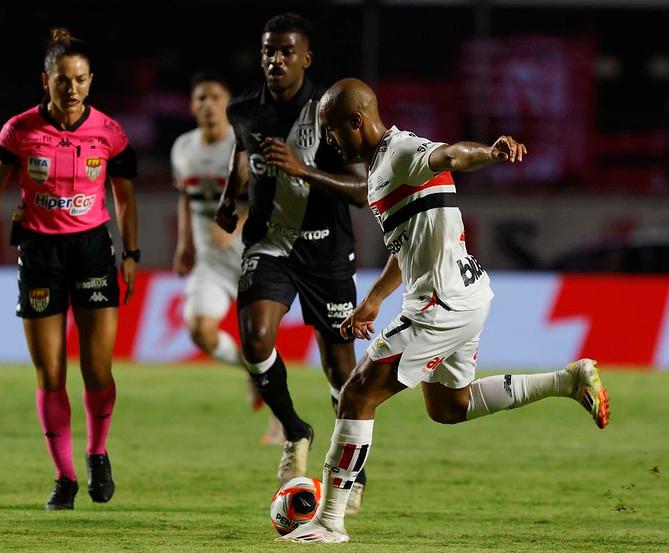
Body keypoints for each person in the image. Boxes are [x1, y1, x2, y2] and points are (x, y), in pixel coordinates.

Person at [279, 78, 611, 543]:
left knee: (356, 394)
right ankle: (567, 380)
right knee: (449, 407)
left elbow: (452, 155)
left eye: (333, 130)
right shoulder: (381, 169)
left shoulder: (401, 151)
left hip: (442, 303)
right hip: (466, 296)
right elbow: (408, 241)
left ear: (356, 120)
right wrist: (373, 299)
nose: (331, 141)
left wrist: (491, 154)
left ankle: (330, 522)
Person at [0, 28, 139, 511]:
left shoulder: (108, 131)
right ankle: (64, 478)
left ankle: (97, 452)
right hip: (41, 255)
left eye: (81, 80)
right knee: (50, 374)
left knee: (97, 368)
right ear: (45, 80)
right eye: (63, 80)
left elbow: (125, 198)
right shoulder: (19, 129)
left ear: (91, 82)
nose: (73, 89)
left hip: (91, 251)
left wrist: (130, 254)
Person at [215, 13, 369, 512]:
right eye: (268, 51)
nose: (275, 60)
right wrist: (228, 196)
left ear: (307, 58)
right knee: (256, 338)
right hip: (271, 245)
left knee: (340, 369)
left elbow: (363, 190)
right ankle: (295, 430)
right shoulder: (244, 110)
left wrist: (305, 170)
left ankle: (352, 471)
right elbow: (242, 154)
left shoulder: (331, 112)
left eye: (286, 51)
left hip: (326, 251)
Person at [171, 72, 282, 445]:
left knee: (262, 345)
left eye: (214, 96)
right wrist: (184, 244)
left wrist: (237, 225)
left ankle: (280, 421)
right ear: (192, 105)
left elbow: (269, 199)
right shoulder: (183, 148)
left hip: (253, 257)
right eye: (200, 97)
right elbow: (186, 198)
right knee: (199, 330)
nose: (207, 104)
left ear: (227, 103)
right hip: (211, 263)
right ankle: (248, 371)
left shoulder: (243, 145)